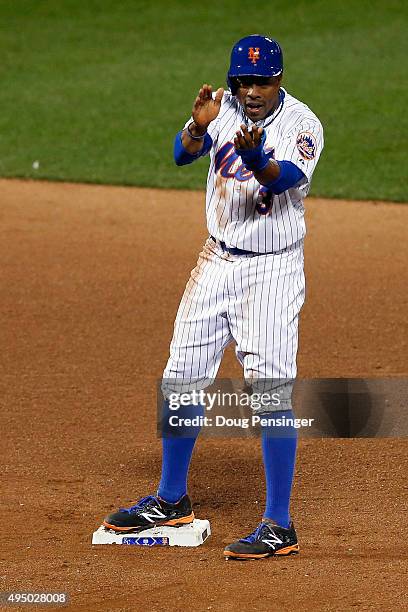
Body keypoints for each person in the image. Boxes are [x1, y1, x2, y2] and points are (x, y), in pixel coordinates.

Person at [103, 34, 324, 560]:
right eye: (243, 81)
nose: (251, 91)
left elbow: (286, 178)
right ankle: (171, 498)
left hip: (272, 269)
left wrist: (257, 162)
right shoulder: (221, 108)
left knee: (269, 393)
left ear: (279, 79)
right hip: (215, 261)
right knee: (181, 375)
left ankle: (278, 523)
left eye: (261, 81)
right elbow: (182, 155)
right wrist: (198, 125)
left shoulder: (302, 124)